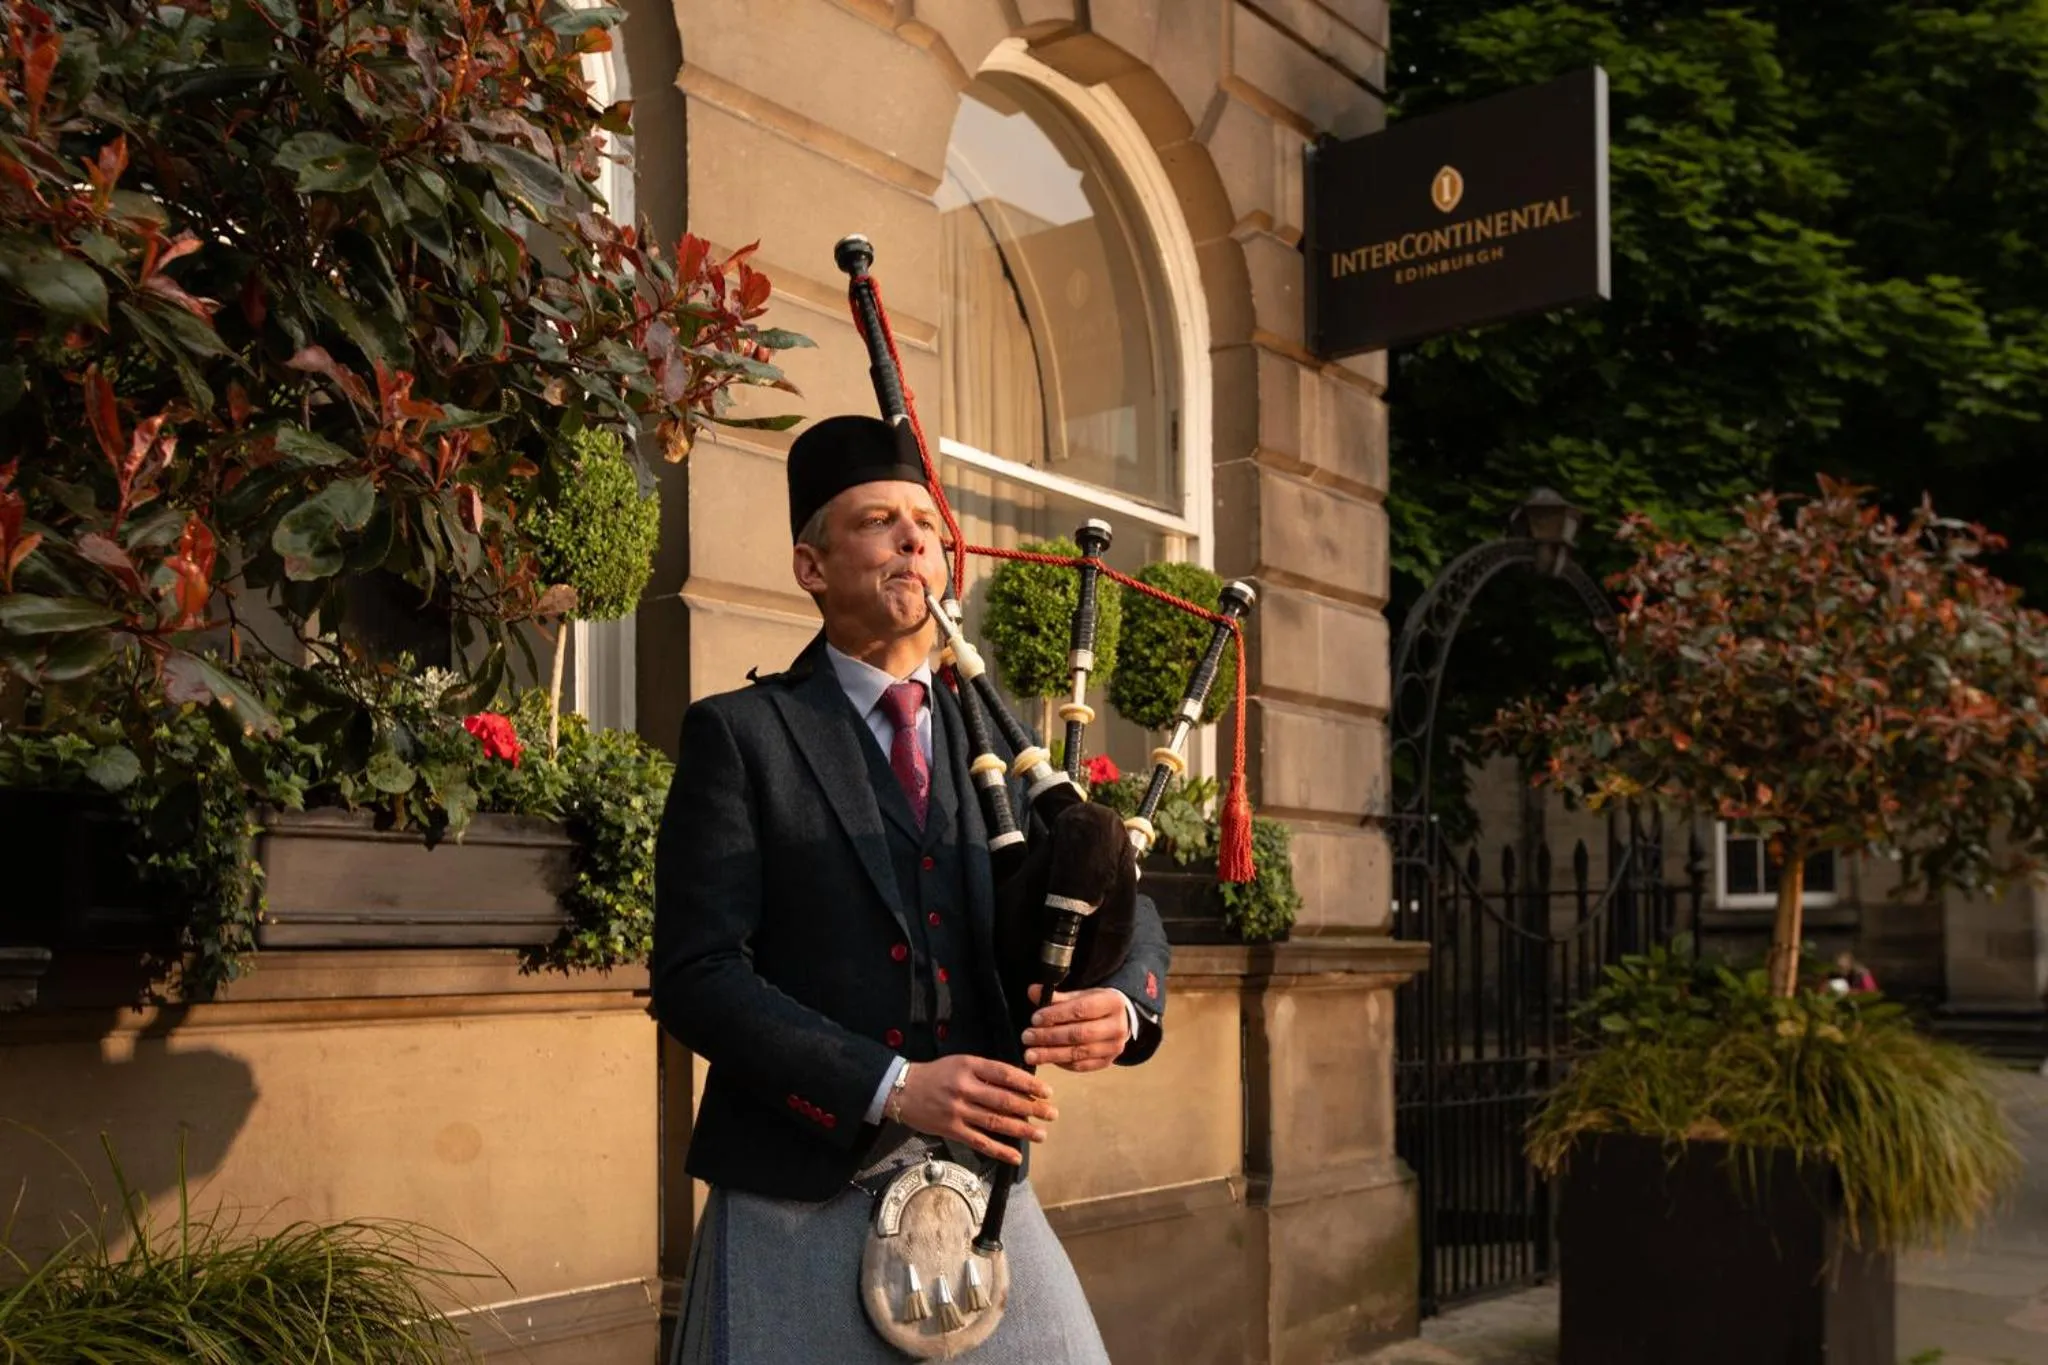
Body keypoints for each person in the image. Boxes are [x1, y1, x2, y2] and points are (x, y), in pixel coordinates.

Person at [653, 414, 1172, 1363]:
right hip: (796, 1188)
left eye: (927, 526)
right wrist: (893, 1086)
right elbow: (697, 975)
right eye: (878, 521)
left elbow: (1116, 891)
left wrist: (1123, 1006)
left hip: (985, 1189)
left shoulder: (1002, 745)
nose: (913, 540)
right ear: (811, 566)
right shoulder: (742, 735)